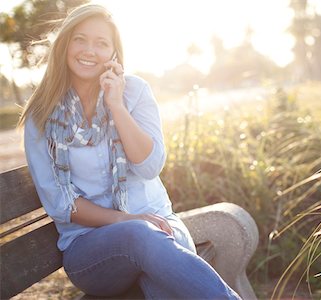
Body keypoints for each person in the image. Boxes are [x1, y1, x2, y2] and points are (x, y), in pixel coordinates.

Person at [18, 3, 241, 299]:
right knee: (141, 235)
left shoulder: (135, 92)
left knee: (160, 281)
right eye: (80, 39)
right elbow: (61, 204)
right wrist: (125, 220)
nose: (89, 50)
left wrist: (117, 105)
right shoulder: (41, 115)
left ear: (113, 53)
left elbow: (149, 167)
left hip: (161, 228)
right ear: (65, 44)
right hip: (91, 251)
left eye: (101, 43)